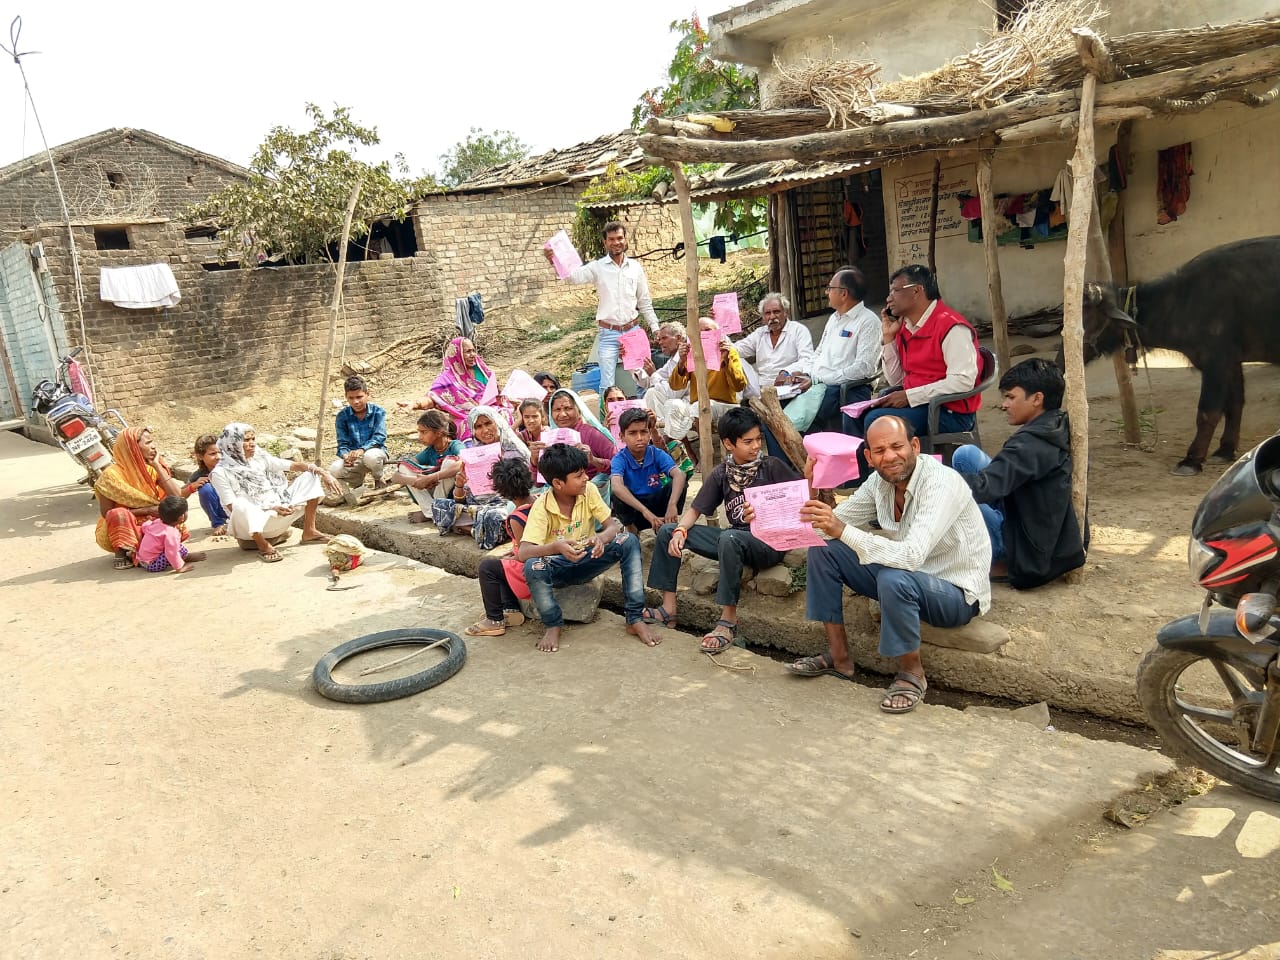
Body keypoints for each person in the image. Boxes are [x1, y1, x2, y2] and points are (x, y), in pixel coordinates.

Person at [791, 416, 991, 714]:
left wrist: (841, 529)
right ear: (869, 458)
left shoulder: (940, 483)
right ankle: (839, 657)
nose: (890, 457)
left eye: (897, 447)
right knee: (824, 551)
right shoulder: (879, 482)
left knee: (893, 578)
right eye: (880, 451)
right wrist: (802, 495)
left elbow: (911, 556)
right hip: (910, 577)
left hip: (955, 593)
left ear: (914, 446)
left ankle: (912, 673)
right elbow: (825, 529)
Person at [645, 406, 802, 652]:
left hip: (768, 543)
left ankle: (728, 620)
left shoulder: (771, 466)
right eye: (748, 441)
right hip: (735, 539)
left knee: (729, 537)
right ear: (728, 444)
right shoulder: (722, 473)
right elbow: (695, 510)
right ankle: (668, 609)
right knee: (668, 531)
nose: (756, 446)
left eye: (758, 439)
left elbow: (799, 501)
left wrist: (765, 513)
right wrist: (680, 531)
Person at [952, 358, 1086, 588]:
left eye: (1011, 397)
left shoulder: (1031, 445)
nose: (1004, 405)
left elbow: (984, 487)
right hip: (1033, 519)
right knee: (966, 455)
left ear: (1037, 399)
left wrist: (933, 481)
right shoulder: (1055, 424)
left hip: (1030, 549)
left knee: (960, 503)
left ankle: (1002, 559)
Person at [518, 443, 660, 653]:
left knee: (628, 541)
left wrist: (601, 538)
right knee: (533, 566)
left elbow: (612, 527)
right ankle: (553, 624)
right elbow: (523, 552)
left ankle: (634, 618)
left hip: (589, 558)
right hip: (557, 567)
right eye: (578, 476)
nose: (586, 478)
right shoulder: (542, 506)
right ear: (557, 483)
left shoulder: (589, 490)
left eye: (584, 473)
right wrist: (556, 547)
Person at [862, 264, 980, 439]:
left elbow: (962, 381)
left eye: (895, 291)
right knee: (857, 416)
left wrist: (910, 396)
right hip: (919, 403)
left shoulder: (952, 327)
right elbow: (896, 380)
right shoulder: (905, 327)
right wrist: (889, 338)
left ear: (916, 291)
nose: (888, 298)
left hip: (948, 411)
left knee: (877, 421)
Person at [548, 221, 660, 394]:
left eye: (620, 238)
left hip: (632, 331)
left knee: (643, 378)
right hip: (609, 333)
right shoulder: (598, 267)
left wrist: (655, 327)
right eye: (612, 239)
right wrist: (554, 260)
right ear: (605, 242)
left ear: (625, 240)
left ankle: (644, 409)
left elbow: (644, 301)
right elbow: (572, 278)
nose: (616, 242)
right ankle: (608, 412)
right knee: (607, 385)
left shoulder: (635, 267)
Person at [210, 423, 339, 562]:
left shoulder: (259, 457)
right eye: (246, 440)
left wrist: (323, 472)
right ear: (232, 443)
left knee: (310, 475)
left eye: (253, 439)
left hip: (279, 513)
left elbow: (293, 465)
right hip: (253, 526)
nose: (252, 444)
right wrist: (270, 508)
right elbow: (231, 507)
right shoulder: (220, 472)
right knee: (240, 504)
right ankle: (263, 545)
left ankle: (309, 531)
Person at [432, 405, 531, 550]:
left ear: (497, 422)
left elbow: (524, 490)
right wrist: (459, 485)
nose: (485, 430)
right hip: (477, 507)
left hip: (505, 505)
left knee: (494, 517)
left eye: (488, 423)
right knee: (439, 506)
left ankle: (470, 529)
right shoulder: (473, 454)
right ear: (473, 431)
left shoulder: (515, 451)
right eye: (478, 427)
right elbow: (460, 499)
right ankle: (479, 529)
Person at [93, 426, 185, 569]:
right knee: (118, 514)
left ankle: (152, 551)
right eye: (148, 443)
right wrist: (147, 510)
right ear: (132, 448)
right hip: (123, 525)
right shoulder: (110, 476)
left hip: (151, 521)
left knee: (178, 511)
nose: (153, 446)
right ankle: (121, 553)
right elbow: (107, 514)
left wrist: (157, 465)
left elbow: (177, 496)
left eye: (152, 441)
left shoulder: (151, 469)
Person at [801, 267, 880, 433]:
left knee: (796, 420)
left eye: (830, 288)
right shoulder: (834, 318)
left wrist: (821, 379)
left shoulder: (868, 322)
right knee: (781, 411)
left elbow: (863, 368)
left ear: (844, 294)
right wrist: (807, 373)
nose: (826, 292)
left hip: (847, 388)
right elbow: (819, 352)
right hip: (820, 385)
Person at [466, 458, 538, 637]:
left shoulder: (517, 517)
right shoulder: (540, 503)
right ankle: (510, 609)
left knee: (488, 567)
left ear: (503, 492)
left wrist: (515, 556)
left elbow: (526, 554)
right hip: (546, 558)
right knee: (503, 565)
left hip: (534, 569)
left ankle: (494, 620)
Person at [659, 318, 748, 454]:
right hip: (698, 406)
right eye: (699, 332)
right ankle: (687, 455)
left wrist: (726, 360)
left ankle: (706, 454)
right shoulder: (691, 354)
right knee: (673, 405)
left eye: (708, 330)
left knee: (699, 407)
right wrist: (681, 362)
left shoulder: (728, 351)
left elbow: (739, 386)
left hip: (725, 405)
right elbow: (676, 386)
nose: (704, 335)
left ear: (717, 333)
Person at [400, 337, 498, 441]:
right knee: (469, 425)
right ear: (457, 354)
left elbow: (496, 393)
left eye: (473, 351)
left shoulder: (482, 371)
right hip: (463, 416)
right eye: (468, 352)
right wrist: (414, 404)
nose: (473, 355)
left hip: (489, 410)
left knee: (503, 413)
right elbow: (433, 398)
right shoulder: (446, 378)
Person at [530, 388, 617, 503]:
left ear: (578, 410)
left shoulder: (592, 434)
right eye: (557, 410)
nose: (562, 414)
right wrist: (534, 461)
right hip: (557, 502)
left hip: (589, 500)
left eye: (568, 408)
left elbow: (618, 466)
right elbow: (538, 483)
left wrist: (594, 460)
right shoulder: (548, 439)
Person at [610, 408, 688, 533]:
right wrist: (645, 511)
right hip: (635, 510)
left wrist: (672, 504)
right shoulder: (619, 459)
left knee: (680, 482)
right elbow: (616, 486)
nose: (639, 437)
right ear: (622, 436)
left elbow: (679, 475)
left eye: (644, 432)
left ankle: (668, 523)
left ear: (649, 433)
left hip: (657, 505)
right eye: (632, 433)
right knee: (617, 495)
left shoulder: (655, 453)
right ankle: (631, 529)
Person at [393, 409, 465, 523]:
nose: (420, 437)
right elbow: (396, 476)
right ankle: (434, 513)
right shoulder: (429, 451)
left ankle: (433, 513)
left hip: (454, 495)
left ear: (439, 432)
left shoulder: (455, 445)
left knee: (450, 462)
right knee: (404, 466)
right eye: (419, 432)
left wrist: (431, 478)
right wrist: (417, 481)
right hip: (433, 492)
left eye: (424, 432)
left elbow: (463, 462)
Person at [734, 293, 815, 388]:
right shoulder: (759, 333)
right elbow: (737, 349)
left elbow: (807, 359)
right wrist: (718, 329)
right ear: (763, 317)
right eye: (768, 313)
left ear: (786, 313)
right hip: (761, 386)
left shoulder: (798, 330)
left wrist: (786, 372)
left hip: (788, 383)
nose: (772, 317)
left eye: (776, 312)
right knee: (733, 358)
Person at [329, 375, 388, 493]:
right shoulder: (342, 416)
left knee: (371, 456)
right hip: (355, 459)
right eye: (351, 398)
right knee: (334, 469)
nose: (355, 402)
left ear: (367, 394)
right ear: (346, 397)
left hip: (375, 455)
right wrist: (346, 456)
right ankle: (357, 484)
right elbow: (342, 444)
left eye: (359, 397)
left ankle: (378, 478)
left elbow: (379, 437)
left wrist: (362, 450)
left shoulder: (378, 412)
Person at [135, 496, 208, 573]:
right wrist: (179, 568)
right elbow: (171, 553)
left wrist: (148, 521)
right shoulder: (171, 533)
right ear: (181, 517)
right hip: (152, 564)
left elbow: (145, 526)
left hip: (142, 560)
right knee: (174, 546)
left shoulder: (157, 522)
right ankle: (183, 559)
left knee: (173, 544)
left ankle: (184, 556)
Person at [189, 433, 228, 535]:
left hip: (237, 508)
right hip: (222, 511)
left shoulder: (231, 468)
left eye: (220, 452)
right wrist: (192, 486)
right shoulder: (200, 475)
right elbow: (180, 494)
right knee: (205, 489)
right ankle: (218, 523)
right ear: (200, 456)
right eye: (213, 454)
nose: (218, 457)